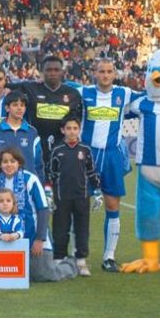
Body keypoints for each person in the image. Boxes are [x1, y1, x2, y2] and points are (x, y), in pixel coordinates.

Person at [73, 58, 143, 272]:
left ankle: (109, 257)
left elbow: (153, 94)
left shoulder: (124, 94)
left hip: (112, 156)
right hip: (87, 156)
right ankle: (79, 256)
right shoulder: (83, 92)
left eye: (109, 71)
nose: (105, 75)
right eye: (101, 71)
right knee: (80, 207)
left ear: (115, 74)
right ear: (95, 73)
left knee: (113, 206)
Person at [0, 148, 76, 282]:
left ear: (19, 162)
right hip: (7, 236)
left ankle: (70, 264)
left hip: (33, 235)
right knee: (15, 275)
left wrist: (40, 238)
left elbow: (43, 209)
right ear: (0, 164)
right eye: (5, 162)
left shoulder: (30, 179)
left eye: (12, 161)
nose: (8, 165)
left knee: (44, 275)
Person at [47, 116, 101, 276]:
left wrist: (97, 192)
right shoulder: (57, 150)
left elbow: (92, 172)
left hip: (81, 196)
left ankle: (81, 260)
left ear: (79, 130)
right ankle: (59, 258)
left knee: (82, 228)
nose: (72, 132)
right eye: (68, 128)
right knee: (60, 228)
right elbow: (51, 174)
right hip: (61, 197)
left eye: (75, 128)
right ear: (63, 130)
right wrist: (49, 193)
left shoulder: (85, 150)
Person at [7, 55, 84, 167]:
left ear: (62, 72)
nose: (52, 73)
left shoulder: (73, 93)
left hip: (63, 146)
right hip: (35, 144)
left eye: (56, 70)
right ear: (42, 71)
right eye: (48, 70)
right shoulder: (31, 88)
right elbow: (4, 87)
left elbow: (78, 117)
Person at [0, 90, 44, 180]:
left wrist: (39, 184)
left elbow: (38, 164)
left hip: (26, 185)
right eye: (15, 105)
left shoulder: (32, 132)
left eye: (22, 105)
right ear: (7, 108)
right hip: (1, 186)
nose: (19, 108)